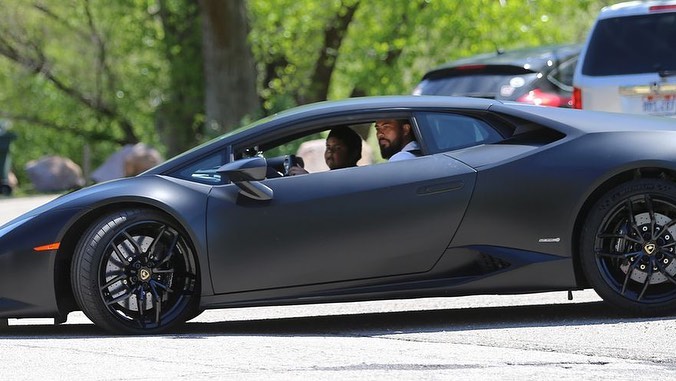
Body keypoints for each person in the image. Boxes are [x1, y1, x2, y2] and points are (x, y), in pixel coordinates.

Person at [288, 127, 362, 175]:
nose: (330, 151)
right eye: (328, 147)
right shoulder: (333, 176)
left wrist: (307, 179)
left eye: (337, 148)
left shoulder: (354, 177)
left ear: (353, 153)